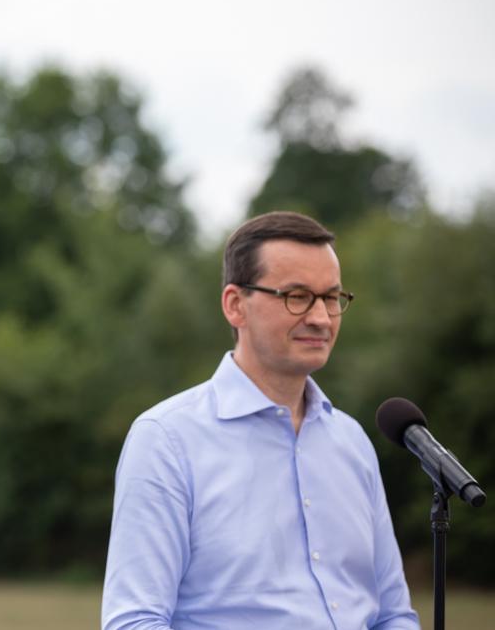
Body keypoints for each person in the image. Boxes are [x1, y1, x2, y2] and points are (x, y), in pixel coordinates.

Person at [102, 212, 419, 629]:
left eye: (331, 298)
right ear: (236, 305)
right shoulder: (166, 440)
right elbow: (134, 621)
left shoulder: (352, 441)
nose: (321, 318)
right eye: (297, 296)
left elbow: (392, 615)